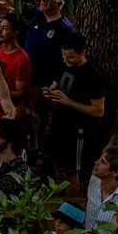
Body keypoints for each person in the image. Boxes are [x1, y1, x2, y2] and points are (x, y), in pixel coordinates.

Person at [39, 32, 104, 196]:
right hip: (58, 124)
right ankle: (57, 200)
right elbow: (55, 84)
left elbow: (98, 110)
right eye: (64, 57)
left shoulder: (92, 76)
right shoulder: (63, 65)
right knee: (56, 165)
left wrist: (69, 102)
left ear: (83, 53)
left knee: (70, 171)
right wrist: (49, 92)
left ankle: (70, 208)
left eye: (71, 58)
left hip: (76, 131)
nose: (67, 61)